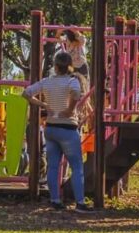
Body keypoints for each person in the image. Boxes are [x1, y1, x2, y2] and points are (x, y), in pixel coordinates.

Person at [22, 52, 92, 213]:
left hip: (51, 127)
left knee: (53, 166)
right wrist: (70, 109)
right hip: (67, 127)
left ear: (55, 66)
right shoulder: (72, 81)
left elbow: (26, 93)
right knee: (77, 166)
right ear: (70, 66)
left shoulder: (47, 82)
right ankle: (80, 203)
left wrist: (43, 105)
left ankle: (55, 200)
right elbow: (75, 93)